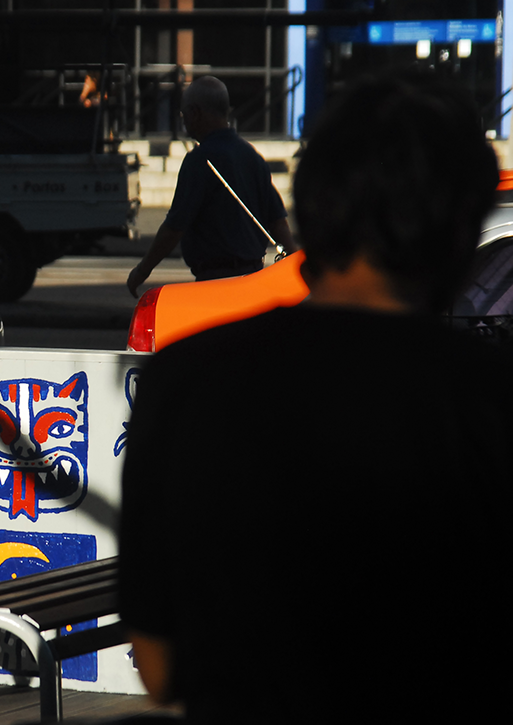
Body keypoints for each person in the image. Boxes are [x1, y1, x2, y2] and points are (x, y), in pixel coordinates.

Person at [119, 72, 513, 724]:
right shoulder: (488, 402)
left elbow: (159, 668)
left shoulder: (185, 383)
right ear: (459, 231)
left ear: (317, 202)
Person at [127, 76, 296, 294]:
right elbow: (278, 223)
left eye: (183, 114)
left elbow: (174, 228)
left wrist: (142, 271)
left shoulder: (199, 160)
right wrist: (299, 268)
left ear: (195, 113)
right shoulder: (252, 156)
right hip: (254, 279)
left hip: (216, 281)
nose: (183, 122)